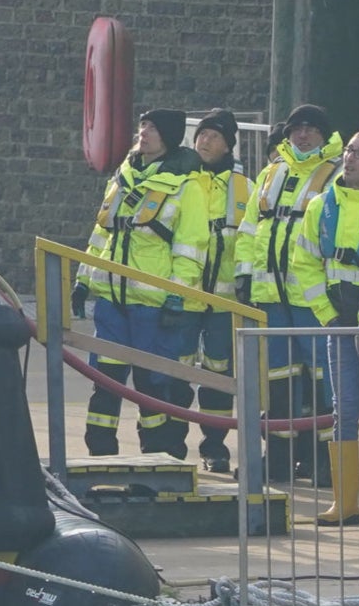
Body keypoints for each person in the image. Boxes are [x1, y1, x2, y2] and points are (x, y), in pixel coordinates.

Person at [74, 108, 203, 458]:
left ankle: (155, 457)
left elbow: (190, 248)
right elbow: (102, 233)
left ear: (170, 138)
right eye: (142, 124)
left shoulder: (187, 185)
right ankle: (100, 455)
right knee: (105, 381)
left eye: (153, 128)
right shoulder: (122, 176)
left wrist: (177, 298)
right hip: (111, 301)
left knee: (151, 386)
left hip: (154, 304)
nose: (143, 131)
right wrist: (84, 280)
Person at [289, 128, 359, 525]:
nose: (350, 158)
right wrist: (328, 314)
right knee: (344, 408)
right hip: (340, 320)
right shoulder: (322, 205)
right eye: (349, 150)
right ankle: (345, 502)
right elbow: (305, 263)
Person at [235, 103, 343, 484]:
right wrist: (244, 274)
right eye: (297, 129)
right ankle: (278, 460)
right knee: (278, 381)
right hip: (270, 295)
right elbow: (250, 227)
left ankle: (325, 464)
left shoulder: (337, 175)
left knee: (322, 382)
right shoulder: (270, 172)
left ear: (325, 136)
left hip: (312, 298)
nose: (302, 135)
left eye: (311, 130)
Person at [176, 110, 250, 474]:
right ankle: (171, 443)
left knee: (219, 376)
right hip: (182, 295)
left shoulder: (244, 188)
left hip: (224, 300)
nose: (205, 141)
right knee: (175, 370)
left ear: (228, 145)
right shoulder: (179, 179)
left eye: (214, 137)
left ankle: (215, 446)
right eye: (202, 134)